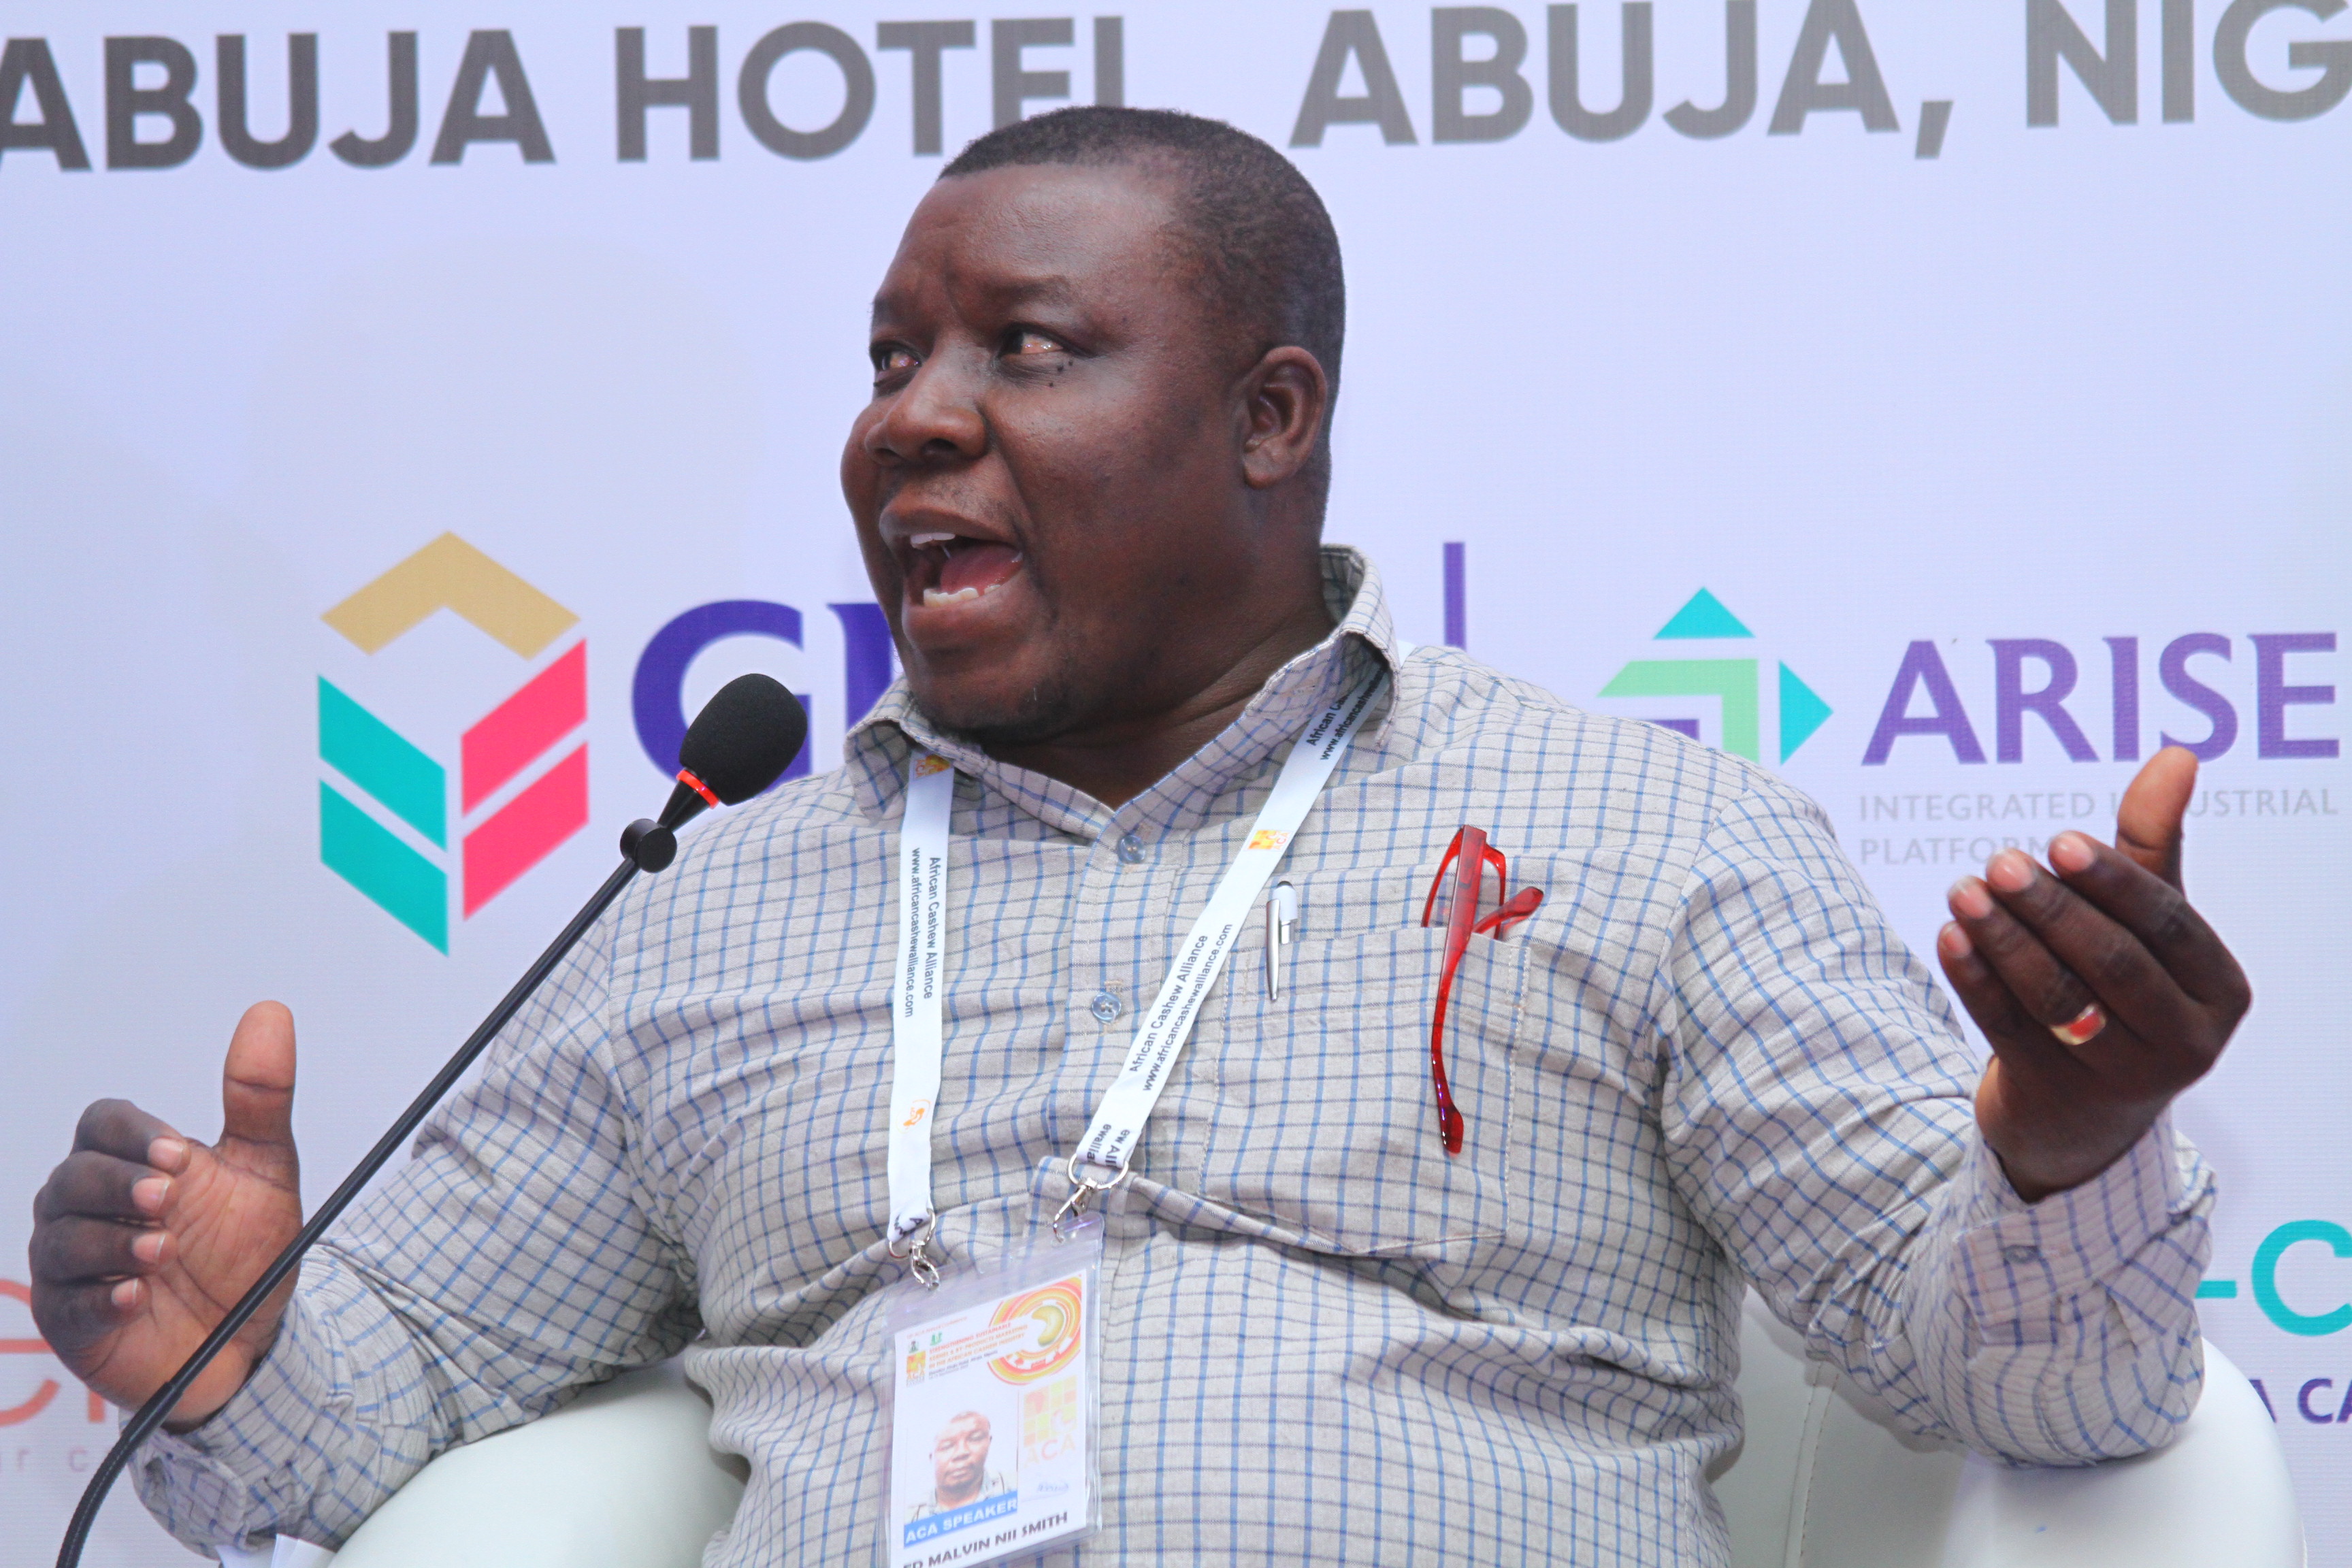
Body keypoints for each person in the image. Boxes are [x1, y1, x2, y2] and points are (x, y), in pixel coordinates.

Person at [31, 108, 2247, 1565]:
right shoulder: (715, 904)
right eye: (890, 358)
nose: (913, 419)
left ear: (1271, 416)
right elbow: (396, 1401)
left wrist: (2069, 1141)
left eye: (1025, 348)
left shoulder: (1651, 834)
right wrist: (232, 1344)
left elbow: (2037, 1386)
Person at [909, 1412, 1012, 1522]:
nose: (961, 1452)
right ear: (931, 1457)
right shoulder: (909, 1517)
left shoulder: (1016, 1487)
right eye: (947, 1446)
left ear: (989, 1442)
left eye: (975, 1439)